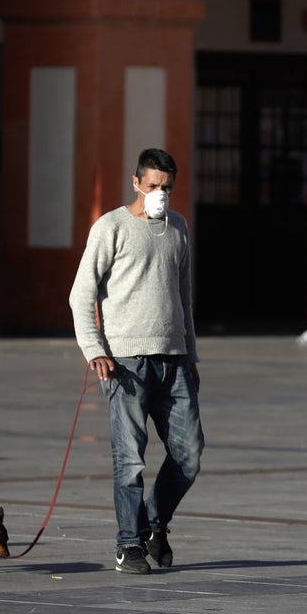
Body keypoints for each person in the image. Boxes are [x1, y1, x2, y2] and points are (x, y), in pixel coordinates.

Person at [69, 148, 204, 574]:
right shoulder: (111, 227)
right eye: (152, 187)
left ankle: (154, 525)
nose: (159, 195)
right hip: (126, 362)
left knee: (189, 454)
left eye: (166, 188)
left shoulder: (178, 227)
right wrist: (96, 351)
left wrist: (191, 354)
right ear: (135, 183)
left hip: (174, 359)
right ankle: (128, 543)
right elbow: (81, 295)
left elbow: (184, 297)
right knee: (130, 459)